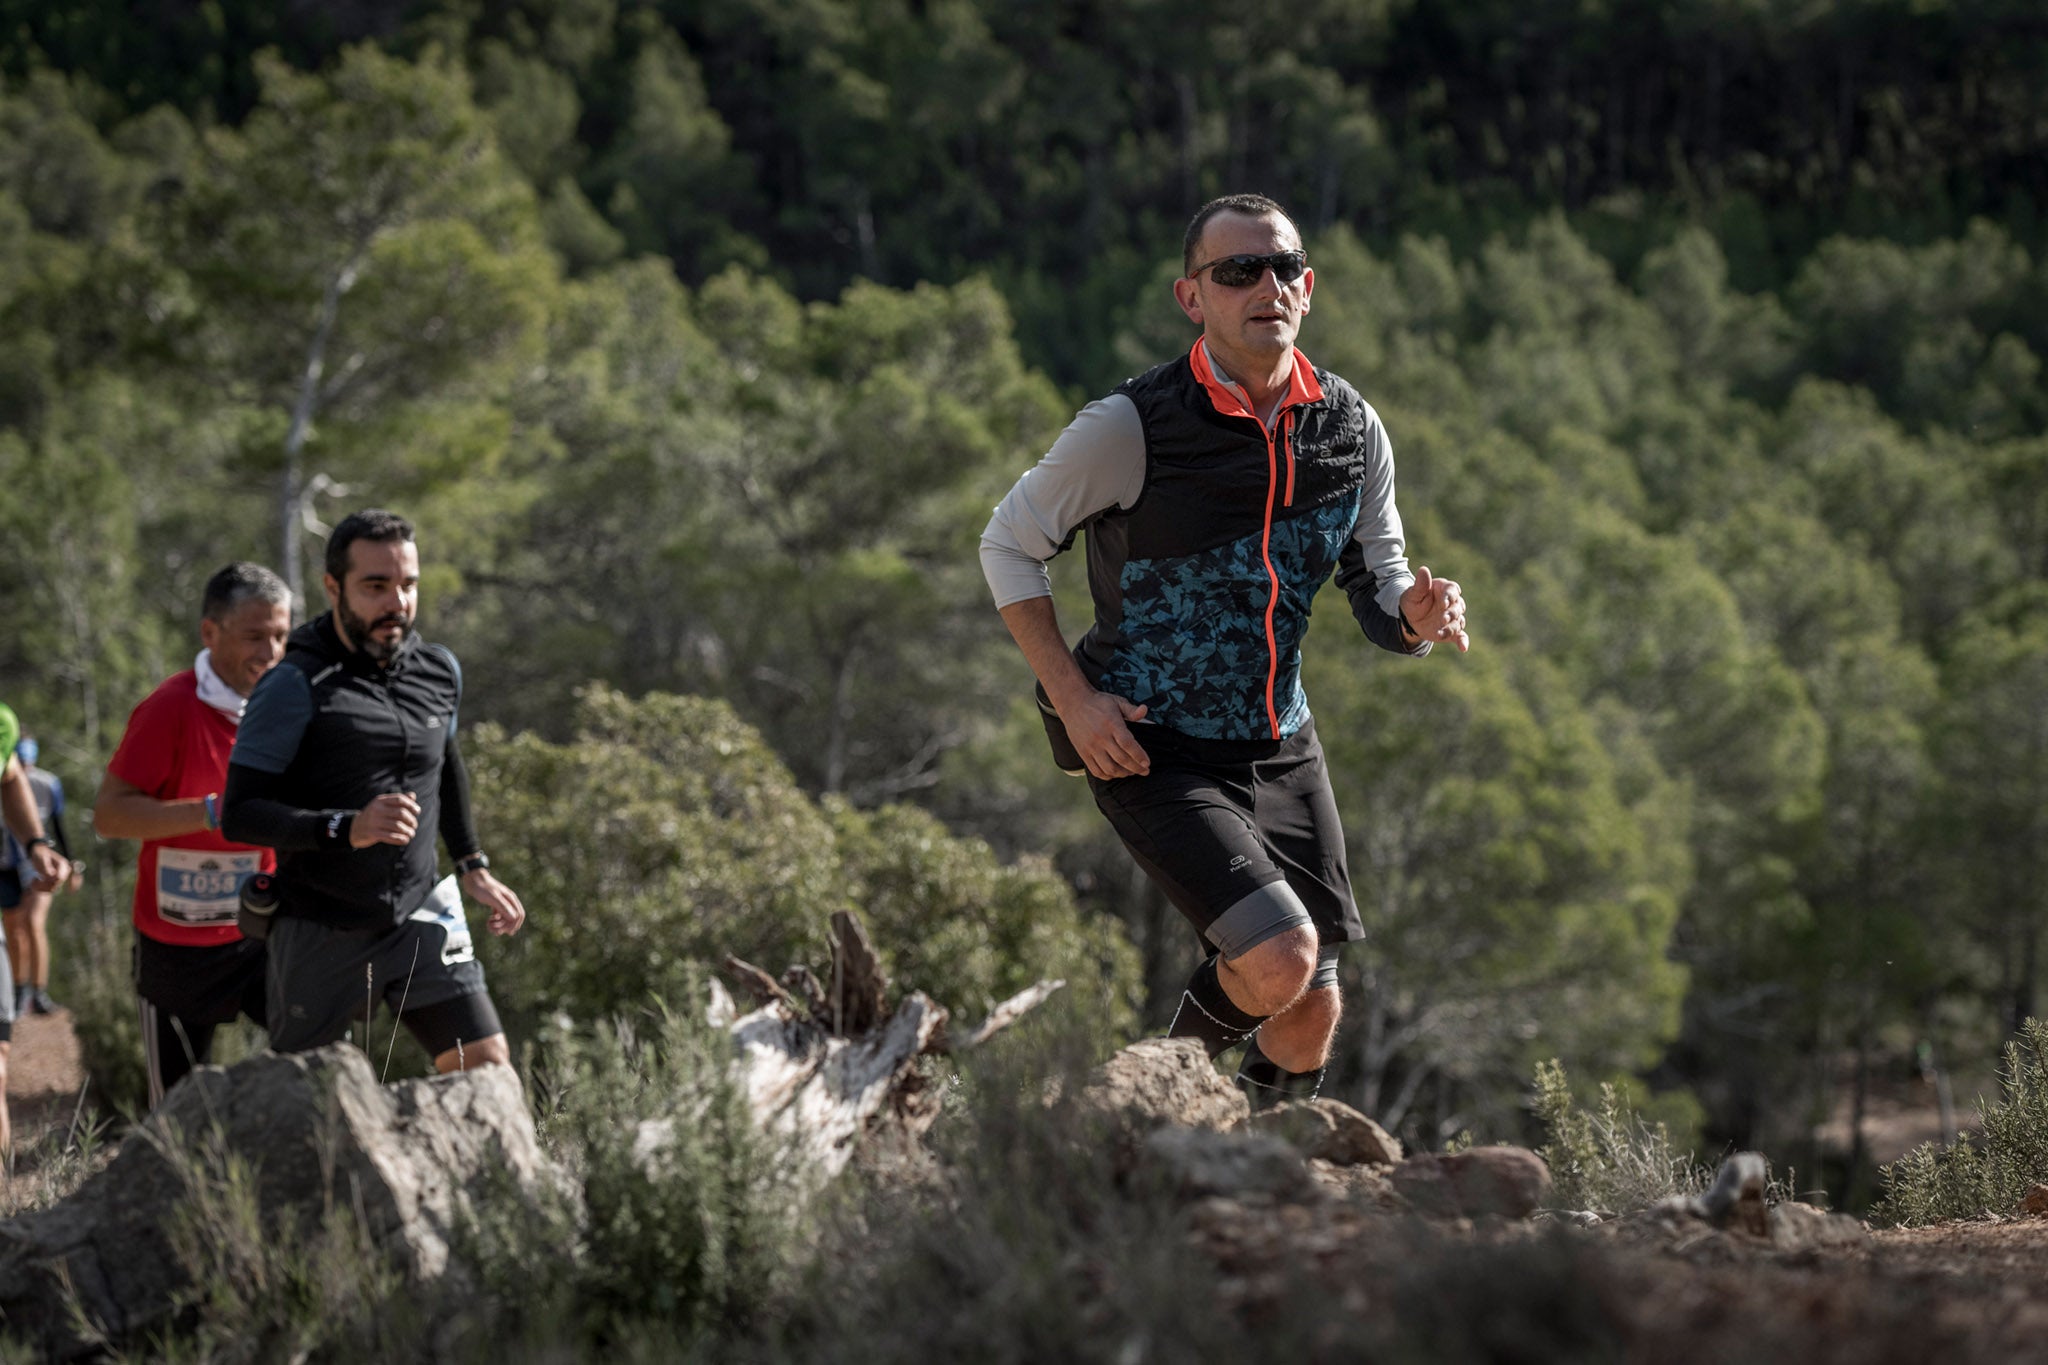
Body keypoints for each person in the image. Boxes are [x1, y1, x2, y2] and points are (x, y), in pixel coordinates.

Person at [980, 193, 1468, 1107]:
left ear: (1309, 288)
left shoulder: (1352, 431)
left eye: (1283, 267)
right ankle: (1133, 1115)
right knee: (1280, 955)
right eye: (1237, 271)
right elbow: (1007, 544)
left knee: (1310, 1009)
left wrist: (1418, 612)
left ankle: (1253, 1186)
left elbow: (1380, 585)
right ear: (1191, 296)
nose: (1265, 286)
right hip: (1146, 741)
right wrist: (1075, 699)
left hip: (1282, 741)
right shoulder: (1131, 427)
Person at [222, 509, 526, 1073]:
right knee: (304, 1100)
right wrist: (346, 827)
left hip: (421, 909)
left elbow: (445, 765)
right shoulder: (293, 683)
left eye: (408, 585)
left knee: (484, 1066)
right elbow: (239, 815)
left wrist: (472, 864)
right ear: (333, 587)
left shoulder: (438, 671)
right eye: (376, 586)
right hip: (320, 922)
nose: (397, 603)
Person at [94, 563, 291, 1106]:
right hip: (176, 946)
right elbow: (110, 816)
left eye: (280, 635)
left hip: (260, 934)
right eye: (254, 636)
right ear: (211, 633)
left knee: (318, 1061)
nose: (270, 651)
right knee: (176, 1116)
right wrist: (210, 812)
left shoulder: (289, 707)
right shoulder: (172, 707)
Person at [0, 703, 73, 1150]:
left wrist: (41, 845)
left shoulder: (44, 780)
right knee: (19, 924)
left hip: (22, 866)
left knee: (31, 923)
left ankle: (33, 991)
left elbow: (10, 780)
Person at [2, 736, 82, 1015]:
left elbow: (59, 827)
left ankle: (39, 992)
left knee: (34, 922)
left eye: (27, 762)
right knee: (14, 928)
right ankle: (19, 989)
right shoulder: (4, 778)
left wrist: (73, 865)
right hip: (9, 864)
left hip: (39, 863)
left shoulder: (47, 783)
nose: (24, 768)